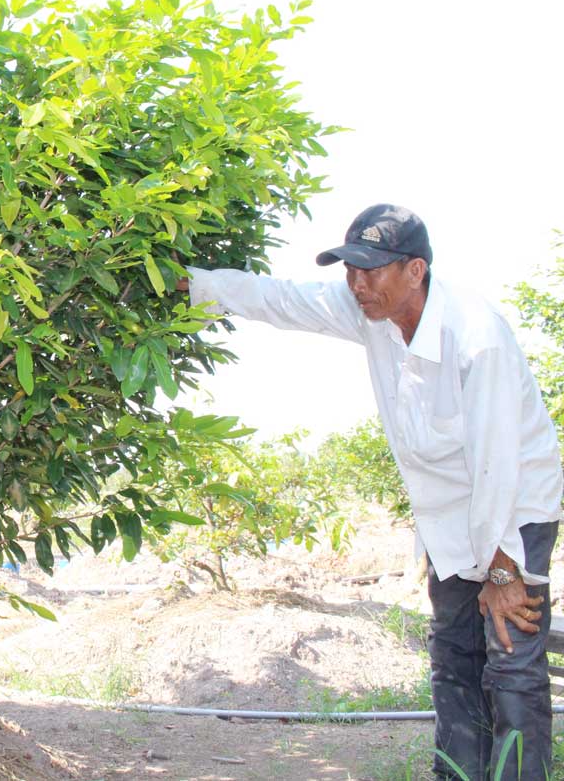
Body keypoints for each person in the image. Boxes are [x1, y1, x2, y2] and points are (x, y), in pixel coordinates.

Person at [181, 204, 563, 780]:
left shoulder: (475, 337)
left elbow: (497, 464)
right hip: (448, 515)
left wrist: (504, 573)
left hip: (514, 510)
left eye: (372, 270)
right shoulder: (369, 311)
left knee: (510, 660)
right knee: (454, 656)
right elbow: (283, 298)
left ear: (415, 270)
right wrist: (198, 284)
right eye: (350, 270)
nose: (357, 284)